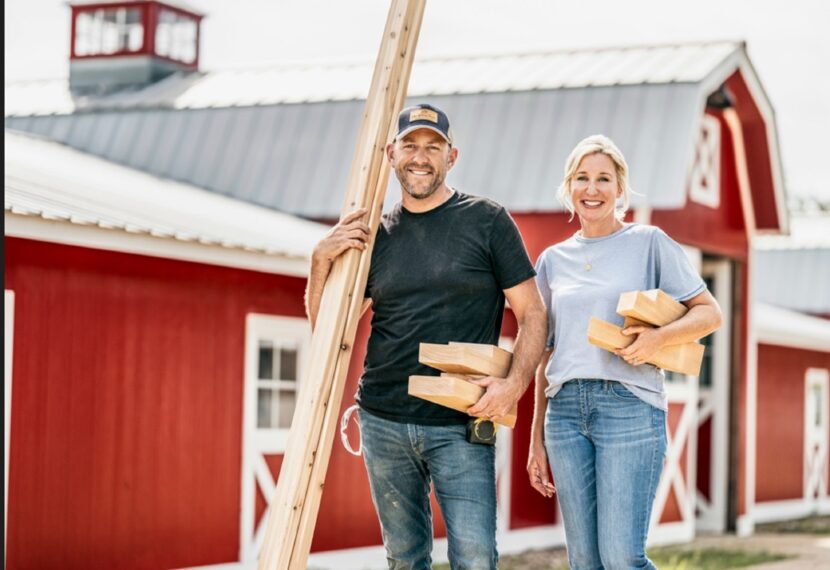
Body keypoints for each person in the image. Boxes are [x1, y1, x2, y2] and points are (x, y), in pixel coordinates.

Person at [305, 103, 547, 570]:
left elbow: (534, 314)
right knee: (404, 558)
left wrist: (514, 386)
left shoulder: (488, 221)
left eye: (432, 147)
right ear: (392, 154)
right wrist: (320, 261)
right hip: (383, 420)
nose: (420, 157)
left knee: (475, 559)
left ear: (451, 156)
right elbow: (327, 333)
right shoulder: (374, 236)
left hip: (461, 421)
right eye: (410, 146)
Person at [526, 134, 722, 569]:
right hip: (564, 413)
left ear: (620, 189)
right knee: (585, 561)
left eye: (603, 179)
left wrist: (657, 339)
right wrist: (536, 437)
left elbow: (709, 313)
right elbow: (544, 353)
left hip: (629, 406)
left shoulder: (648, 243)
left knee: (620, 557)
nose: (591, 189)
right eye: (581, 178)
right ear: (568, 187)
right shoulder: (552, 261)